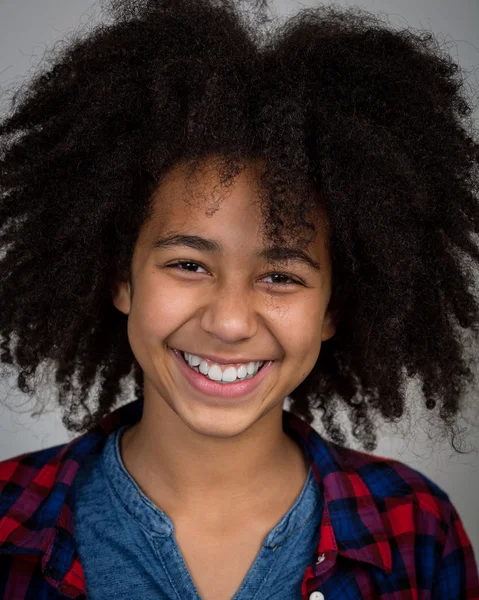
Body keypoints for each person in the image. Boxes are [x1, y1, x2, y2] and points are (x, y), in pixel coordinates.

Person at [0, 0, 478, 598]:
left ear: (332, 309)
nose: (228, 322)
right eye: (188, 264)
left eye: (280, 276)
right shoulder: (6, 519)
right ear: (121, 278)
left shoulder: (416, 530)